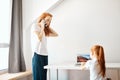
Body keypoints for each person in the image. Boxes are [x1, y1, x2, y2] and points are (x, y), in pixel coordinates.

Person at [31, 12, 58, 80]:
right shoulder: (35, 26)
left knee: (43, 77)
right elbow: (39, 38)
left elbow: (56, 34)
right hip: (38, 55)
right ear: (42, 19)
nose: (49, 22)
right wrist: (42, 27)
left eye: (50, 21)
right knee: (38, 77)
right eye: (48, 19)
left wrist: (47, 27)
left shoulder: (45, 30)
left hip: (45, 55)